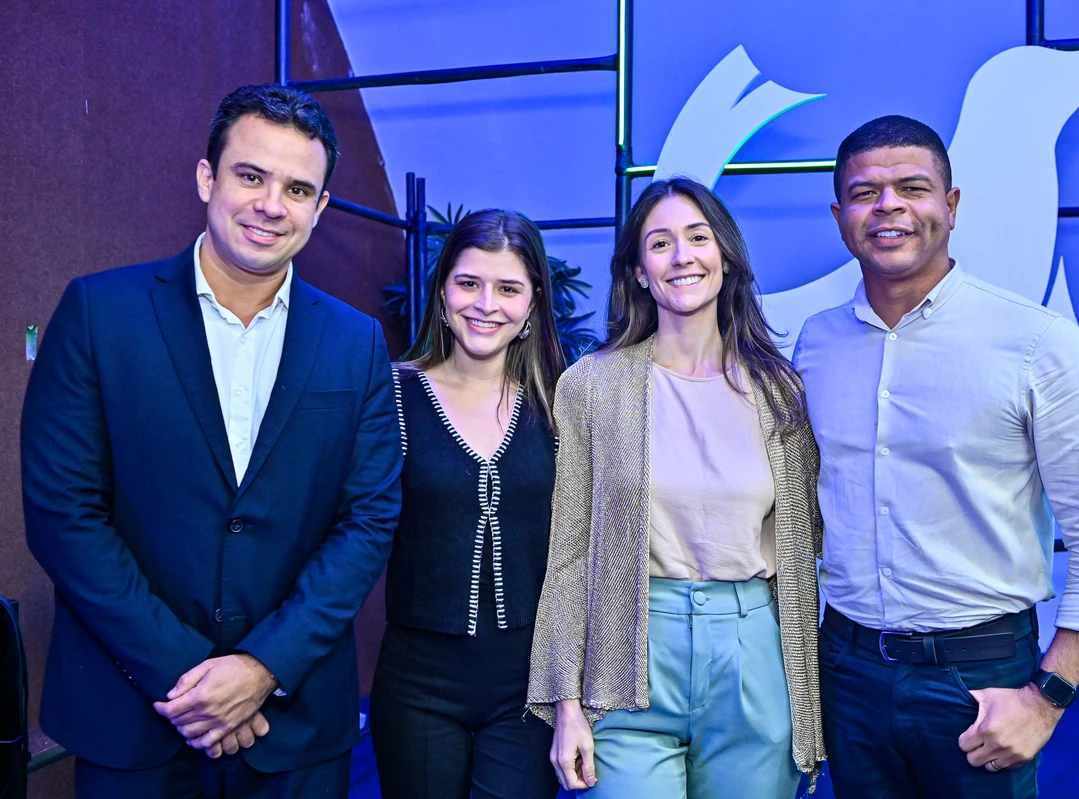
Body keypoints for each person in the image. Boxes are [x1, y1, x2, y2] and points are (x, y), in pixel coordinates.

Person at [21, 84, 403, 798]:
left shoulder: (357, 343)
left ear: (320, 208)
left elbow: (369, 519)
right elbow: (62, 513)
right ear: (207, 178)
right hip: (134, 717)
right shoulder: (100, 314)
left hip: (295, 729)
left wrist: (262, 667)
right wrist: (191, 678)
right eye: (250, 175)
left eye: (297, 189)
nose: (271, 205)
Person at [793, 114, 1079, 799]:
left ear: (951, 206)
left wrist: (1047, 697)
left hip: (980, 674)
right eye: (865, 193)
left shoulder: (1036, 343)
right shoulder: (815, 345)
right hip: (848, 669)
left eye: (912, 188)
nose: (888, 206)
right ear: (840, 218)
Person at [528, 177, 826, 798]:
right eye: (660, 244)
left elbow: (804, 550)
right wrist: (565, 703)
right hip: (626, 655)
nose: (682, 256)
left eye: (698, 237)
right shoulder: (592, 385)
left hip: (751, 653)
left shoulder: (781, 392)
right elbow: (570, 555)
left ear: (726, 257)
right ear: (639, 272)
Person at [369, 209, 563, 799]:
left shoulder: (561, 403)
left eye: (508, 288)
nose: (485, 304)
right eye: (469, 283)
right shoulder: (391, 393)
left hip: (528, 689)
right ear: (442, 291)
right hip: (416, 686)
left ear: (533, 302)